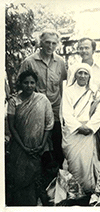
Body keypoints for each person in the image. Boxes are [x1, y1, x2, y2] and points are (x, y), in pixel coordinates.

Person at [19, 29, 67, 168]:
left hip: (56, 107)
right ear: (41, 43)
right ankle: (39, 173)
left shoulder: (60, 62)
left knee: (58, 141)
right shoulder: (29, 62)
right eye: (47, 42)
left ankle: (59, 173)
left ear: (57, 44)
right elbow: (21, 86)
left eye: (53, 43)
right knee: (39, 142)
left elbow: (62, 85)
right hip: (36, 108)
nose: (50, 46)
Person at [6, 70, 54, 205]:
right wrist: (24, 147)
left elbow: (49, 125)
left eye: (32, 82)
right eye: (26, 83)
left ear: (36, 84)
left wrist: (41, 145)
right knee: (20, 180)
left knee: (38, 179)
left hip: (39, 148)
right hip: (19, 149)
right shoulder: (13, 101)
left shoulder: (42, 99)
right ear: (20, 84)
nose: (29, 85)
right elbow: (12, 127)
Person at [60, 63, 100, 194]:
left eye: (85, 73)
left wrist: (89, 127)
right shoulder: (68, 91)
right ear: (75, 75)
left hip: (89, 132)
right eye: (80, 73)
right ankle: (74, 193)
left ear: (89, 76)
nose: (82, 76)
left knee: (88, 164)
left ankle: (89, 192)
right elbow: (66, 113)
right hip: (73, 133)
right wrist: (79, 127)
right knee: (74, 165)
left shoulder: (94, 91)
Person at [74, 37, 100, 106]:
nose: (84, 51)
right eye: (81, 48)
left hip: (97, 109)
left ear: (93, 50)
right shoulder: (73, 69)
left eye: (87, 48)